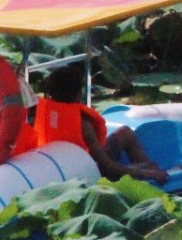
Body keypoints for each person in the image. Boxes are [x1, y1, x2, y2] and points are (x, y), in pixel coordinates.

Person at [37, 64, 167, 184]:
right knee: (149, 167)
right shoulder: (83, 124)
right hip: (88, 174)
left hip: (61, 170)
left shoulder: (45, 112)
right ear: (77, 93)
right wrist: (147, 173)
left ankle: (145, 169)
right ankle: (149, 180)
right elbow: (107, 166)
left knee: (125, 133)